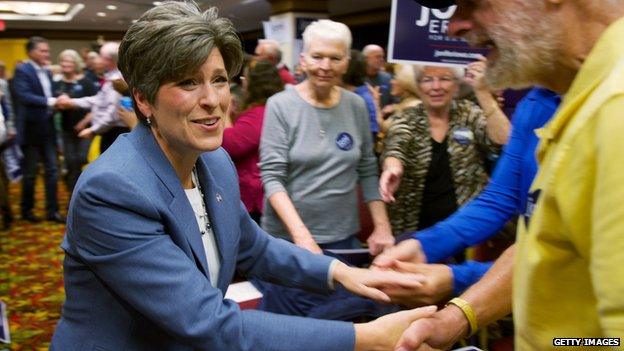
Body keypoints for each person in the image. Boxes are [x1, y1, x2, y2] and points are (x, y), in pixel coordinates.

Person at [49, 3, 436, 350]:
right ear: (144, 99)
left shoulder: (213, 161)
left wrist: (343, 274)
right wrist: (366, 338)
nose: (213, 99)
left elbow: (255, 248)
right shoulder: (112, 189)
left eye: (219, 79)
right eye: (187, 82)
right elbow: (205, 321)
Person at [391, 1, 624, 350]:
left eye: (472, 3)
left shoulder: (613, 110)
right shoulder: (550, 97)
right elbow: (540, 232)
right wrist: (457, 314)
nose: (453, 27)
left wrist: (457, 278)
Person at [373, 87, 560, 306]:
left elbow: (569, 260)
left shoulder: (605, 112)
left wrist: (458, 277)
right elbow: (500, 197)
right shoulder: (536, 100)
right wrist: (423, 246)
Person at [260, 19, 395, 256]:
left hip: (343, 237)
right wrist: (302, 237)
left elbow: (367, 168)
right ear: (303, 60)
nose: (325, 66)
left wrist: (382, 227)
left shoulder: (356, 105)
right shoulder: (280, 105)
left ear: (347, 63)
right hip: (288, 239)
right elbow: (272, 177)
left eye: (335, 58)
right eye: (317, 56)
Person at [379, 64, 510, 236]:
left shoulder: (468, 113)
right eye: (427, 80)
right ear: (418, 86)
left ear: (456, 85)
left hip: (465, 228)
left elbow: (503, 140)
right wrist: (393, 168)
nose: (436, 86)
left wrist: (483, 93)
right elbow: (396, 147)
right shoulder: (407, 118)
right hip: (415, 228)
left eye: (444, 79)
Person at [222, 60, 284, 223]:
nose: (243, 83)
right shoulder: (271, 110)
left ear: (253, 84)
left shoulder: (259, 114)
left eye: (245, 78)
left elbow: (230, 145)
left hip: (254, 198)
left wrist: (226, 114)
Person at [12, 36, 65, 223]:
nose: (47, 54)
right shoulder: (22, 70)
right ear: (31, 52)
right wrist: (51, 101)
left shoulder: (48, 72)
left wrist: (59, 96)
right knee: (31, 173)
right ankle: (27, 210)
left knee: (52, 171)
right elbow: (25, 96)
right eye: (43, 50)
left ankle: (52, 211)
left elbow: (48, 94)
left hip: (48, 129)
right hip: (30, 131)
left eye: (47, 50)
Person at [56, 42, 128, 154]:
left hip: (115, 132)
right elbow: (99, 100)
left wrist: (93, 130)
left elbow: (112, 113)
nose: (98, 59)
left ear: (109, 60)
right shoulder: (111, 75)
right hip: (110, 131)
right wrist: (72, 102)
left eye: (100, 57)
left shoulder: (117, 79)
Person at [52, 49, 98, 192]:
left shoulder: (86, 82)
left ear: (76, 63)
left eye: (70, 61)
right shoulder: (56, 84)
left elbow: (97, 105)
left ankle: (87, 191)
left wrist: (84, 122)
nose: (66, 64)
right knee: (71, 162)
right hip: (65, 130)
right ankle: (73, 195)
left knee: (82, 159)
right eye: (64, 61)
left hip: (84, 130)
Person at [378, 63, 421, 134]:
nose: (391, 82)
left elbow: (384, 128)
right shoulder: (409, 103)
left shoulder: (413, 106)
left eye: (395, 78)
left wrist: (375, 102)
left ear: (405, 83)